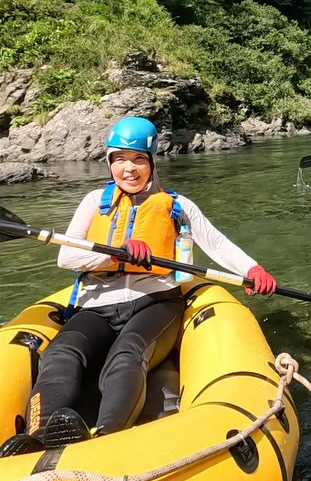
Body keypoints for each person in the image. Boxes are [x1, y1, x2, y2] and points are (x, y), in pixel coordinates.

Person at [0, 116, 277, 457]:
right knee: (60, 353)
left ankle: (107, 436)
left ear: (152, 163)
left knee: (127, 352)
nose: (128, 169)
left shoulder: (177, 205)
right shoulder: (94, 201)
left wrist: (252, 269)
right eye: (119, 159)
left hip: (155, 301)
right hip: (96, 304)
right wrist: (114, 254)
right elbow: (66, 258)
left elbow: (216, 244)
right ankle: (40, 436)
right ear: (109, 162)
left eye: (138, 160)